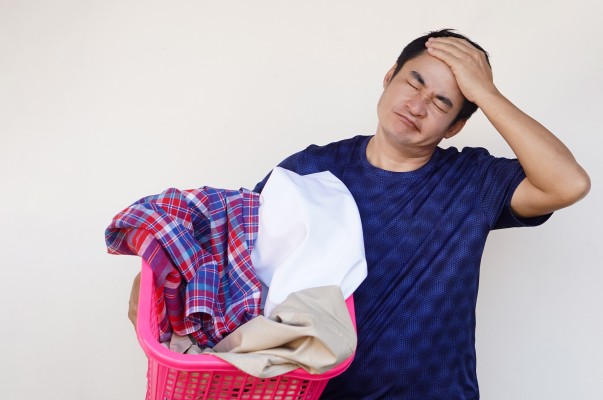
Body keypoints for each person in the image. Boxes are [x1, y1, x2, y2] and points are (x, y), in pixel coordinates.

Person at [127, 29, 590, 399]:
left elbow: (568, 183)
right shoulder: (310, 169)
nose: (417, 105)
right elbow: (231, 255)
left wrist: (486, 92)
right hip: (311, 393)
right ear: (389, 77)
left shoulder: (474, 181)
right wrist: (153, 288)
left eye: (442, 102)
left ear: (456, 126)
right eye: (414, 82)